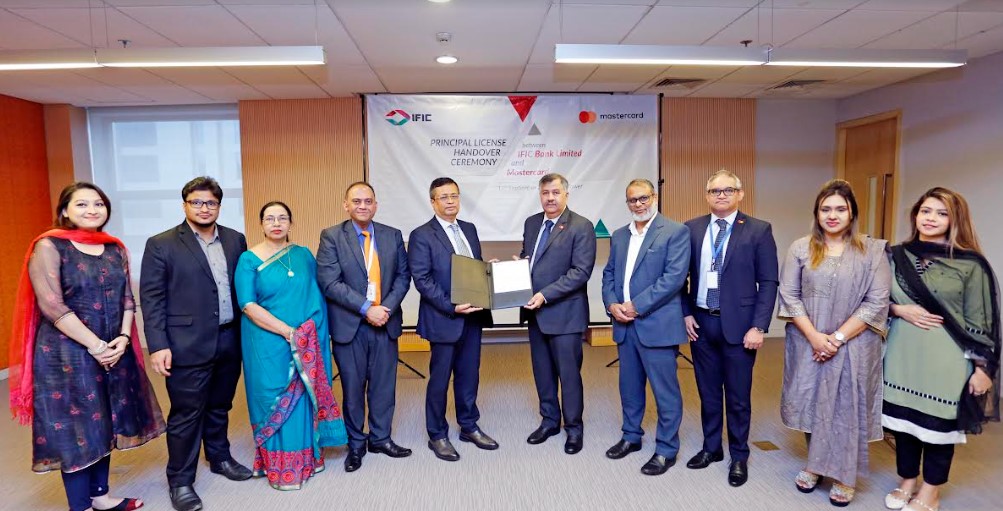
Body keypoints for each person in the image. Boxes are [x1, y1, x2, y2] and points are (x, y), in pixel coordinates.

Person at [9, 182, 165, 511]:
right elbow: (52, 305)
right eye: (81, 204)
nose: (92, 210)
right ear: (65, 211)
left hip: (113, 350)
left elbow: (127, 298)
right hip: (66, 354)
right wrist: (96, 346)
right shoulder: (50, 246)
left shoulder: (114, 248)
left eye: (98, 204)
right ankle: (79, 506)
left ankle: (101, 497)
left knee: (105, 420)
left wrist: (123, 338)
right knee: (77, 429)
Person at [881, 187, 999, 511]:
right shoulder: (895, 255)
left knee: (938, 429)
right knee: (904, 425)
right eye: (926, 211)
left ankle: (930, 491)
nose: (931, 218)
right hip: (901, 355)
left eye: (941, 213)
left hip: (947, 360)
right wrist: (898, 309)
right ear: (915, 215)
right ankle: (907, 481)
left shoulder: (970, 264)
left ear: (954, 220)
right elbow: (875, 301)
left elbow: (982, 319)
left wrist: (983, 369)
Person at [777, 179, 891, 507]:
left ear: (852, 213)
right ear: (816, 213)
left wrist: (838, 338)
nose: (832, 215)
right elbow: (789, 295)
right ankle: (815, 464)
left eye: (840, 209)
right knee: (812, 400)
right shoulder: (801, 248)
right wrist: (815, 337)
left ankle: (844, 475)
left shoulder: (872, 251)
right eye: (825, 209)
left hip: (855, 343)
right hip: (808, 340)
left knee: (846, 405)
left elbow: (876, 301)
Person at [140, 176, 250, 511]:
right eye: (197, 202)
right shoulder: (162, 244)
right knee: (187, 414)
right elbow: (152, 299)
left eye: (211, 203)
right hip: (185, 343)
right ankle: (180, 480)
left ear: (219, 206)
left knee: (220, 405)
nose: (204, 208)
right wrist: (158, 345)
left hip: (229, 337)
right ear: (185, 204)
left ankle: (220, 458)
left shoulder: (235, 239)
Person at [234, 201, 348, 489]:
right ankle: (278, 465)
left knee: (303, 400)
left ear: (291, 223)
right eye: (270, 218)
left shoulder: (303, 255)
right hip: (266, 342)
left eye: (282, 218)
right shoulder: (248, 259)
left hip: (305, 339)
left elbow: (317, 297)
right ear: (261, 223)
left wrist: (305, 333)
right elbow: (247, 305)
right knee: (270, 397)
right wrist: (288, 332)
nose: (276, 223)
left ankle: (307, 458)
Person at [681, 169, 779, 487]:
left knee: (737, 397)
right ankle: (712, 448)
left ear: (740, 194)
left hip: (740, 326)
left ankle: (739, 455)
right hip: (701, 323)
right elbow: (680, 277)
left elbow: (768, 282)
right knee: (708, 393)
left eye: (728, 190)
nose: (721, 195)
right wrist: (686, 313)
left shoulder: (758, 230)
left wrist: (759, 326)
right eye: (715, 191)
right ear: (706, 195)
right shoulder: (692, 229)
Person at [317, 182, 412, 473]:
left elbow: (403, 277)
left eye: (368, 201)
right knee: (353, 388)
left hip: (386, 321)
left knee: (384, 386)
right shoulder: (332, 236)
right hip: (350, 326)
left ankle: (381, 438)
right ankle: (356, 443)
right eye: (356, 201)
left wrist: (385, 309)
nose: (362, 206)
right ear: (346, 205)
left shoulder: (392, 235)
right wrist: (366, 308)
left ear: (376, 205)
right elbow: (330, 282)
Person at [601, 179, 690, 475]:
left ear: (655, 197)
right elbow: (609, 274)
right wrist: (612, 305)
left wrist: (635, 305)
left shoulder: (675, 231)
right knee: (629, 388)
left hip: (657, 325)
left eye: (643, 198)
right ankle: (631, 437)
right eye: (632, 200)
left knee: (665, 393)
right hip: (624, 326)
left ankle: (666, 449)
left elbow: (673, 279)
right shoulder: (619, 235)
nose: (638, 204)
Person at [408, 178, 497, 462]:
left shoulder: (469, 229)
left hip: (474, 316)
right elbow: (422, 279)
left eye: (454, 196)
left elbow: (472, 269)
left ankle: (469, 426)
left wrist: (488, 271)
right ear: (433, 201)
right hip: (444, 317)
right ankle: (437, 434)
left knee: (469, 375)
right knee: (440, 379)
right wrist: (451, 306)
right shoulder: (422, 234)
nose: (450, 201)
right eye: (444, 197)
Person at [520, 173, 597, 454]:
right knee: (542, 372)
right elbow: (530, 258)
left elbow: (580, 272)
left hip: (565, 314)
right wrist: (517, 267)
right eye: (545, 193)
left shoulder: (581, 226)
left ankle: (574, 429)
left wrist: (544, 295)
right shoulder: (531, 223)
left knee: (569, 375)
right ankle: (550, 421)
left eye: (555, 192)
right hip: (535, 314)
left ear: (566, 194)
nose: (550, 198)